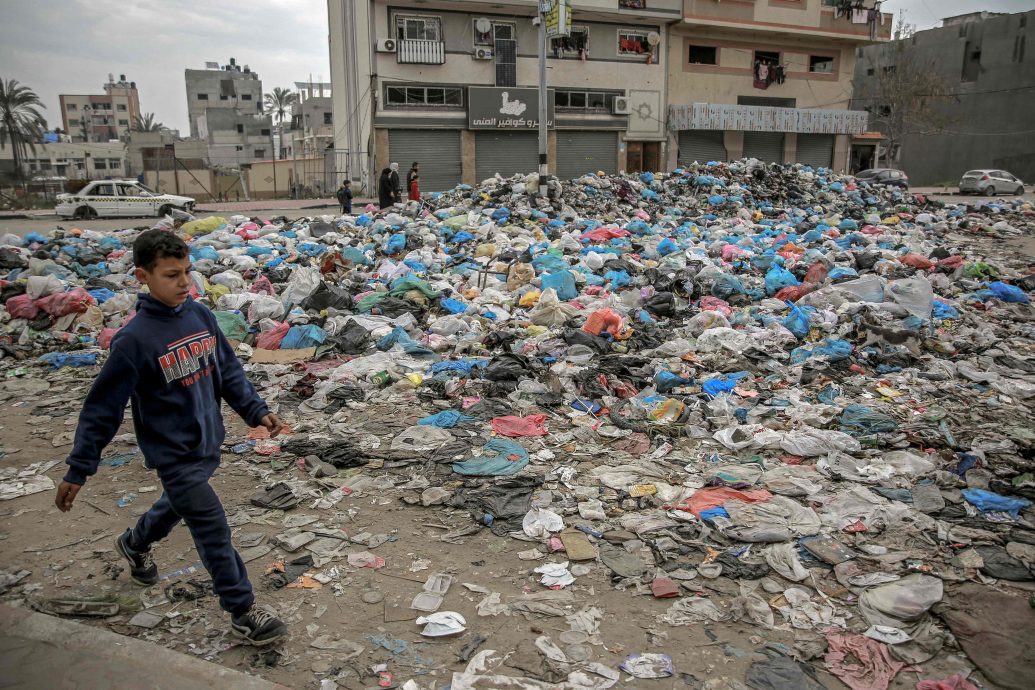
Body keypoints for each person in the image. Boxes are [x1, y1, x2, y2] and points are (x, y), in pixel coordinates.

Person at [54, 230, 288, 647]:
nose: (184, 282)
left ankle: (135, 542)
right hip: (172, 454)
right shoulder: (133, 341)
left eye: (187, 271)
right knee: (211, 526)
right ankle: (242, 611)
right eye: (171, 275)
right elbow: (102, 409)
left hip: (207, 443)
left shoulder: (199, 316)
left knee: (180, 504)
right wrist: (79, 467)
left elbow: (228, 370)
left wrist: (255, 409)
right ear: (143, 276)